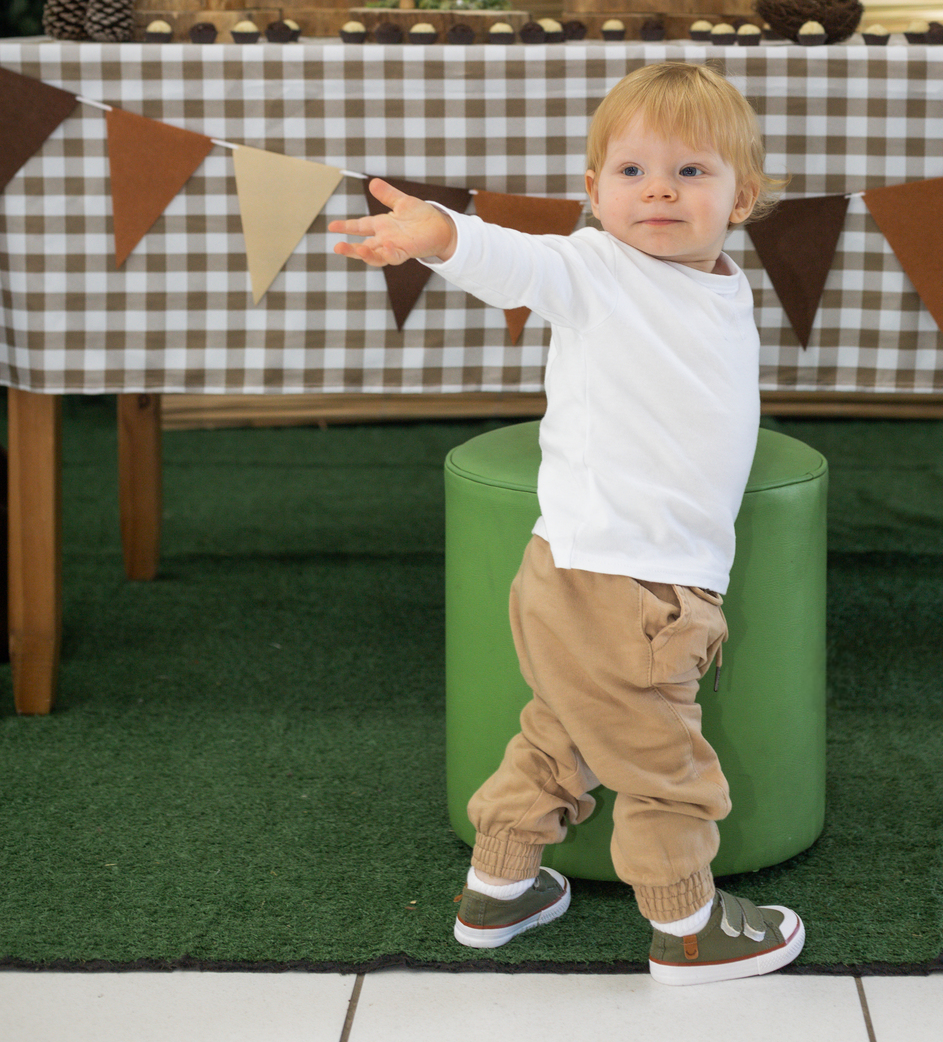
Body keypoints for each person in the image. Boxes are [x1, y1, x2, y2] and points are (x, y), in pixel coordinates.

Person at [329, 60, 804, 985]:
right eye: (631, 172)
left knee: (562, 738)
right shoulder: (595, 268)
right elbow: (520, 259)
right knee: (667, 764)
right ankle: (690, 925)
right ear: (593, 194)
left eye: (691, 171)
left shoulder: (717, 286)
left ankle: (498, 887)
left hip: (577, 573)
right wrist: (442, 234)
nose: (659, 188)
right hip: (629, 583)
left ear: (741, 198)